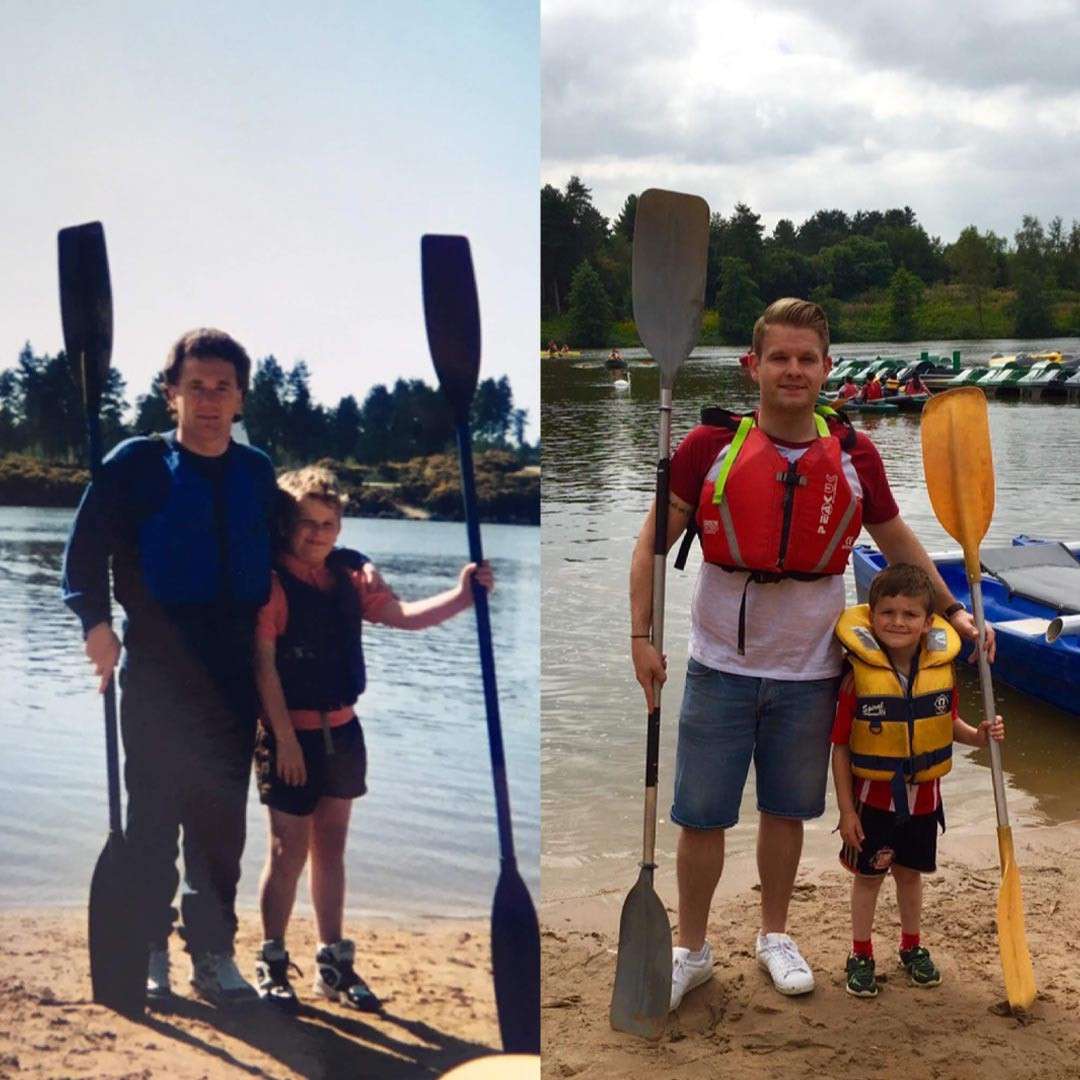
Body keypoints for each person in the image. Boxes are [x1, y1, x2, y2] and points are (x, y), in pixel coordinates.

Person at [628, 298, 994, 1010]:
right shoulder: (708, 450)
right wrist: (640, 638)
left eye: (806, 359)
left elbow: (896, 542)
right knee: (700, 815)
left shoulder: (854, 454)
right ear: (753, 366)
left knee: (787, 811)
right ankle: (692, 949)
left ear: (827, 368)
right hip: (720, 668)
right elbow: (648, 547)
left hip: (812, 672)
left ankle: (774, 937)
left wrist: (953, 611)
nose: (793, 371)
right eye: (779, 358)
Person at [62, 328, 277, 1007]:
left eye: (222, 389)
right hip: (155, 664)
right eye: (196, 387)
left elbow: (298, 551)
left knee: (220, 824)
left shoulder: (256, 472)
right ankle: (150, 946)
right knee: (153, 816)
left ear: (240, 398)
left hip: (231, 673)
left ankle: (212, 953)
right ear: (171, 394)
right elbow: (82, 554)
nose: (208, 401)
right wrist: (96, 625)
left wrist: (359, 579)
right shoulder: (134, 464)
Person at [252, 467, 494, 1012]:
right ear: (285, 525)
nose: (317, 534)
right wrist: (285, 741)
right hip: (289, 735)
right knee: (287, 849)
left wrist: (461, 597)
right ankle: (271, 960)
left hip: (344, 732)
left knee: (330, 849)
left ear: (340, 527)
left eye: (328, 524)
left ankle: (332, 964)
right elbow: (263, 668)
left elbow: (402, 616)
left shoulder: (348, 577)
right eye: (306, 524)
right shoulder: (270, 583)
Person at [831, 563, 1005, 998]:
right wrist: (846, 810)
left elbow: (949, 725)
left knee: (910, 876)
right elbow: (840, 748)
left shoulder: (938, 673)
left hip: (925, 800)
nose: (898, 622)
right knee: (869, 878)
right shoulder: (856, 680)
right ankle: (861, 953)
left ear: (929, 623)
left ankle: (911, 947)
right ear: (871, 619)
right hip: (873, 803)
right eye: (887, 612)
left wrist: (980, 738)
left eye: (909, 615)